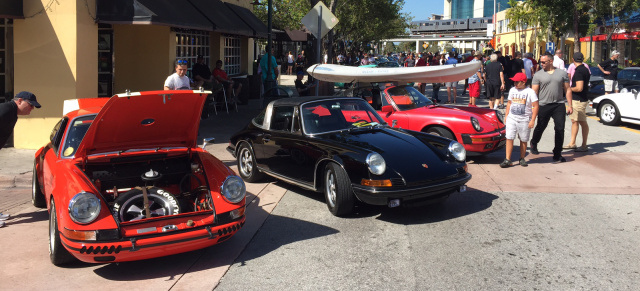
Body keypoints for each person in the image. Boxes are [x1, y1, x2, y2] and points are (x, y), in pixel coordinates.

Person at [0, 91, 42, 227]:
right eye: (30, 105)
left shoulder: (12, 113)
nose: (32, 109)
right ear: (19, 101)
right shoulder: (6, 110)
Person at [529, 53, 573, 163]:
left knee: (559, 129)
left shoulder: (562, 73)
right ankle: (534, 142)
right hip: (543, 105)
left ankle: (557, 153)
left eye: (543, 62)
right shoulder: (538, 75)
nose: (541, 64)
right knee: (541, 126)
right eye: (541, 62)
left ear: (551, 61)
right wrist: (532, 107)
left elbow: (567, 89)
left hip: (558, 104)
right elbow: (534, 92)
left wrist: (570, 105)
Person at [500, 73, 539, 168]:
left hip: (525, 119)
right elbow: (509, 103)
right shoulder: (512, 90)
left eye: (517, 82)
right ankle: (508, 159)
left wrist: (532, 120)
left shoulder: (530, 92)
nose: (515, 83)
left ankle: (522, 158)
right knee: (509, 137)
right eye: (514, 81)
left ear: (523, 82)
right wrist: (506, 115)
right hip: (512, 118)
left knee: (523, 139)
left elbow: (536, 105)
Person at [565, 52, 590, 152]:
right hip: (581, 99)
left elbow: (579, 88)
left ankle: (581, 145)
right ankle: (574, 143)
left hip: (578, 99)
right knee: (576, 121)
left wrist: (569, 89)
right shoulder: (585, 69)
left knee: (580, 121)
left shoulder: (579, 71)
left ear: (572, 59)